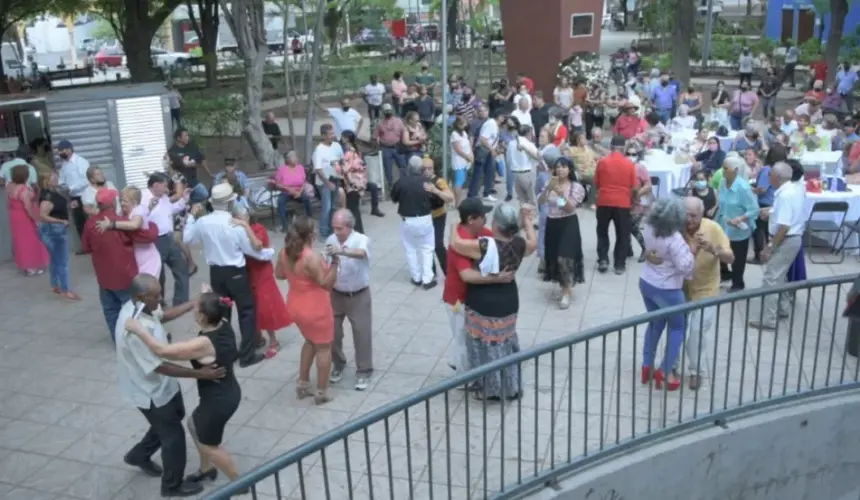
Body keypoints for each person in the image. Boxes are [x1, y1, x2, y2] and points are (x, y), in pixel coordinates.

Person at [124, 291, 246, 492]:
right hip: (227, 391)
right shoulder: (223, 321)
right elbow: (212, 300)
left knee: (209, 445)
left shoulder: (202, 344)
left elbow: (162, 351)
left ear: (202, 317)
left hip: (218, 402)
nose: (193, 311)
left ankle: (239, 482)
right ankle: (206, 469)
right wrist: (205, 295)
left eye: (196, 309)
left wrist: (138, 329)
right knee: (192, 424)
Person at [115, 274, 223, 498]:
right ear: (141, 297)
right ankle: (172, 486)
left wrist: (192, 303)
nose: (162, 298)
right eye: (157, 295)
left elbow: (162, 315)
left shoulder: (141, 307)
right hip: (149, 391)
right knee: (173, 435)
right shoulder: (133, 331)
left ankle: (139, 455)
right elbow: (160, 366)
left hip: (164, 386)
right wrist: (199, 374)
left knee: (173, 417)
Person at [448, 203, 537, 400]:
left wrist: (454, 225)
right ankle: (511, 386)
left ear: (496, 224)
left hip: (483, 300)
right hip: (508, 300)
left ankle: (491, 389)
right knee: (505, 344)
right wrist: (528, 221)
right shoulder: (520, 245)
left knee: (484, 347)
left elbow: (456, 244)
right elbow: (533, 242)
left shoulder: (484, 246)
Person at [183, 184, 276, 368]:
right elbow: (253, 251)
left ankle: (227, 352)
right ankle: (247, 355)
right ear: (230, 202)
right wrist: (270, 252)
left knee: (222, 314)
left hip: (216, 274)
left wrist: (191, 217)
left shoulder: (203, 222)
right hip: (236, 274)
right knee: (246, 312)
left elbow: (188, 239)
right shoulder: (235, 225)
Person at [667, 197, 734, 390]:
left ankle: (696, 371)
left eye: (693, 216)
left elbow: (731, 257)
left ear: (702, 214)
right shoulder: (674, 229)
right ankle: (672, 366)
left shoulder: (713, 228)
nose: (689, 220)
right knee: (675, 329)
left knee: (696, 331)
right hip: (679, 288)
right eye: (685, 215)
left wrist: (714, 249)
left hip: (707, 288)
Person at [276, 216, 338, 404]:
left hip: (295, 305)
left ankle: (302, 383)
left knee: (310, 341)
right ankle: (321, 391)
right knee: (324, 347)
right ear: (311, 234)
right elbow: (326, 284)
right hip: (316, 309)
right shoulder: (311, 257)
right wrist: (335, 263)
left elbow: (279, 274)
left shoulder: (285, 252)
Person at [639, 197, 696, 391]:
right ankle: (663, 371)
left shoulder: (648, 228)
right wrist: (692, 252)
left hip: (647, 282)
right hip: (668, 289)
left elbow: (648, 251)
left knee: (655, 323)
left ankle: (647, 364)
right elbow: (685, 267)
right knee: (677, 328)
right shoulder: (674, 239)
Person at [750, 162, 806, 330]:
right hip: (794, 238)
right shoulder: (796, 188)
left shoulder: (784, 195)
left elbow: (784, 226)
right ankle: (783, 308)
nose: (768, 177)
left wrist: (769, 248)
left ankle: (769, 319)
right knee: (780, 275)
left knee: (771, 278)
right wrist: (772, 211)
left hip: (786, 239)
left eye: (770, 175)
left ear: (777, 177)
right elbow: (788, 211)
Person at [232, 204, 292, 359]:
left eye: (241, 218)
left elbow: (258, 247)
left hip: (261, 271)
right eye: (236, 218)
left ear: (248, 217)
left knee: (265, 306)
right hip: (246, 271)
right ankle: (258, 338)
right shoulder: (235, 230)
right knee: (251, 306)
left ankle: (273, 341)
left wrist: (245, 228)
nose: (238, 221)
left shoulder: (258, 229)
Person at [326, 210, 374, 390]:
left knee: (361, 333)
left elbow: (361, 253)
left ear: (349, 226)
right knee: (333, 333)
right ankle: (338, 363)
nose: (336, 232)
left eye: (339, 228)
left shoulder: (361, 239)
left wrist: (342, 251)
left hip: (358, 294)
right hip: (336, 293)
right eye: (334, 228)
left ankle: (364, 371)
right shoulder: (331, 239)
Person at [538, 157, 586, 308]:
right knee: (554, 257)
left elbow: (570, 208)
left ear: (570, 169)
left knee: (564, 258)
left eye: (564, 167)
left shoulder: (576, 187)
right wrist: (547, 189)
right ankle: (564, 284)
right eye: (557, 167)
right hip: (552, 223)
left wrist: (560, 196)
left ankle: (566, 292)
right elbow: (541, 201)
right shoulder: (550, 184)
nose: (560, 170)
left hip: (568, 223)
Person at [593, 136, 638, 274]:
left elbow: (596, 183)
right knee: (622, 234)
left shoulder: (602, 162)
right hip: (622, 203)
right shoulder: (629, 164)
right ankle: (619, 264)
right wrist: (633, 200)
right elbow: (634, 187)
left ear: (611, 147)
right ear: (623, 148)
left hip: (604, 201)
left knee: (602, 232)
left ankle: (603, 260)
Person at [715, 154, 759, 292]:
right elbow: (722, 202)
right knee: (721, 253)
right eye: (723, 167)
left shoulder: (743, 188)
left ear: (735, 170)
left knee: (737, 259)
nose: (723, 170)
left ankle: (738, 284)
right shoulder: (723, 182)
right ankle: (725, 274)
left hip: (738, 230)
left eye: (726, 168)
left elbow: (754, 209)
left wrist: (740, 218)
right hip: (723, 225)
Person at [392, 156, 436, 288]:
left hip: (407, 220)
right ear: (421, 168)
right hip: (425, 218)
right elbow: (434, 199)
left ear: (408, 168)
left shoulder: (401, 182)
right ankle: (427, 279)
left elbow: (394, 198)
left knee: (410, 249)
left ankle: (416, 277)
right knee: (427, 249)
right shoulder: (427, 182)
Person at [37, 171, 78, 299]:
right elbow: (43, 215)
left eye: (56, 177)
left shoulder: (55, 192)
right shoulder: (48, 196)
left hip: (53, 230)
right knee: (62, 262)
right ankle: (66, 290)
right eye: (53, 178)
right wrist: (61, 221)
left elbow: (57, 208)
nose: (56, 179)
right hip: (55, 231)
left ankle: (55, 284)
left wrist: (69, 206)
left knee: (55, 259)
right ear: (46, 181)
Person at [7, 164, 48, 276]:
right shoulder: (24, 190)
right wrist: (35, 219)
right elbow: (28, 207)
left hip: (15, 216)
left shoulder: (10, 187)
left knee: (20, 241)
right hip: (24, 217)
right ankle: (33, 265)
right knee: (31, 240)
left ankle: (27, 266)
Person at [271, 151, 313, 232]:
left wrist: (299, 192)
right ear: (288, 159)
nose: (297, 159)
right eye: (294, 157)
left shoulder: (300, 167)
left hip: (298, 191)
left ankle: (309, 220)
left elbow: (304, 182)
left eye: (296, 157)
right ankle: (284, 225)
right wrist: (288, 189)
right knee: (280, 201)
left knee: (306, 199)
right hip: (286, 192)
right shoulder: (281, 169)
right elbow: (277, 184)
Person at [450, 115, 474, 205]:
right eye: (464, 124)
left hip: (465, 161)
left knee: (462, 181)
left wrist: (471, 155)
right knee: (458, 182)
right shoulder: (454, 134)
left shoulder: (464, 133)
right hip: (458, 161)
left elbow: (468, 145)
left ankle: (459, 200)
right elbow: (458, 149)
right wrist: (467, 156)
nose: (465, 125)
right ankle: (457, 202)